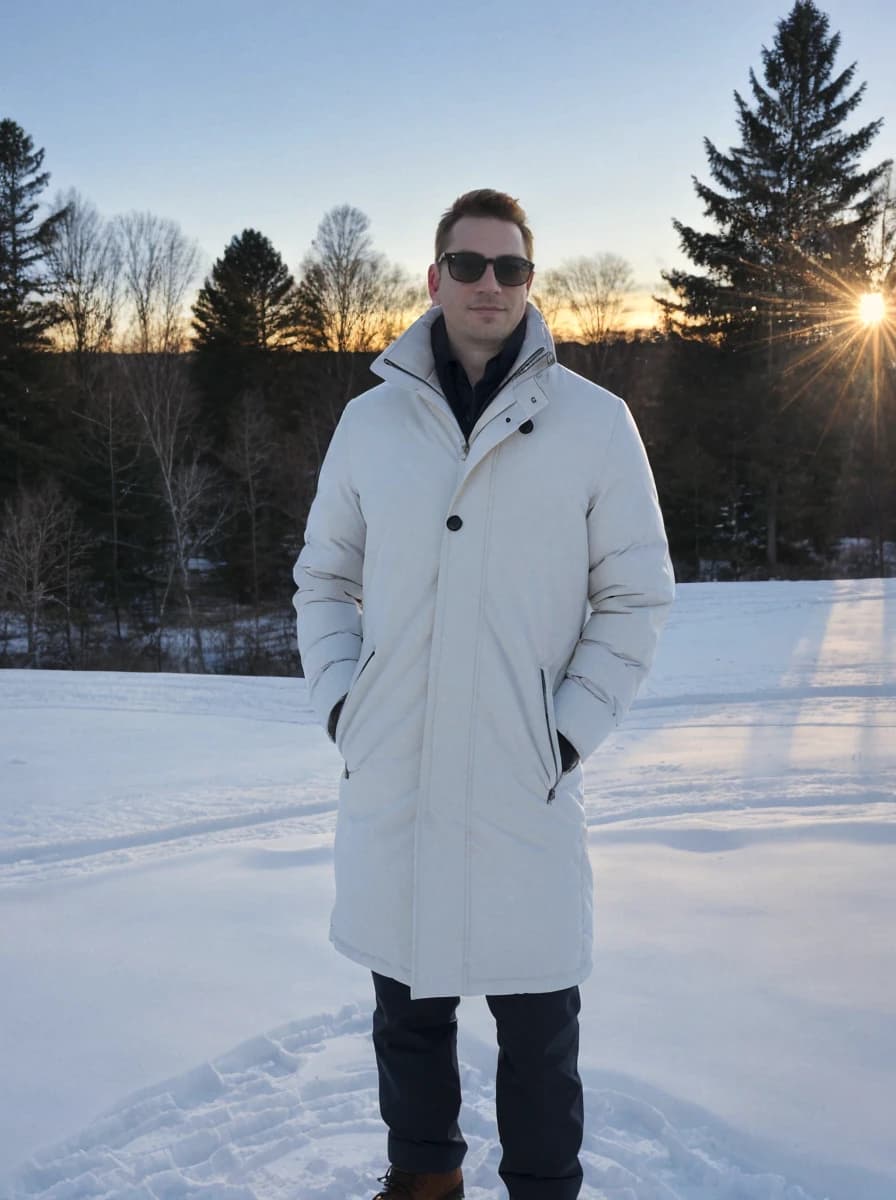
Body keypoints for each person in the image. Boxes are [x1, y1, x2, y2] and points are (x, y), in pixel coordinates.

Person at [293, 189, 674, 1200]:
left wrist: (564, 733)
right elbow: (324, 578)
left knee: (538, 1028)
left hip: (523, 779)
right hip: (397, 767)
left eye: (509, 268)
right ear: (433, 279)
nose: (489, 286)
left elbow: (634, 595)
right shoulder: (369, 422)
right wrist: (345, 702)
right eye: (468, 266)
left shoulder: (595, 424)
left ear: (529, 283)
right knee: (406, 1010)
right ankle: (422, 1183)